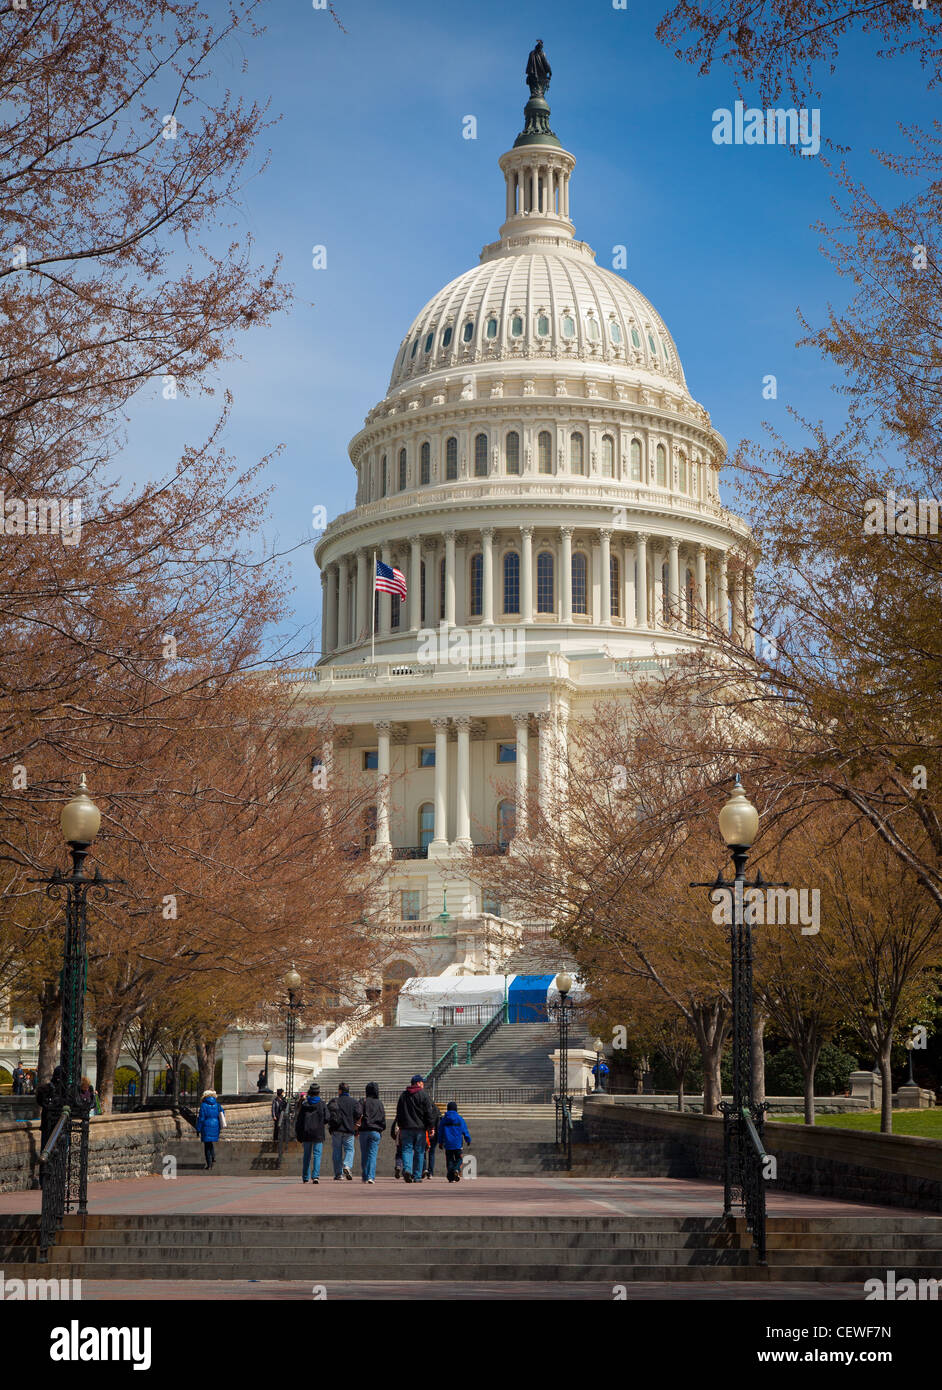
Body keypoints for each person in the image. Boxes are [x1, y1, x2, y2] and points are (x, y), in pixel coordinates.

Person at [391, 1074, 439, 1184]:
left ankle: (407, 1169)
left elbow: (399, 1112)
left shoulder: (403, 1096)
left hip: (406, 1128)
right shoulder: (424, 1095)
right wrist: (431, 1127)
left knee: (406, 1150)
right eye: (422, 1083)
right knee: (420, 1151)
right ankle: (417, 1176)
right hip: (420, 1128)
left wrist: (401, 1125)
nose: (423, 1085)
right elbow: (428, 1113)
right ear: (418, 1083)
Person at [326, 1082, 361, 1180]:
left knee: (337, 1151)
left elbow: (328, 1114)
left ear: (340, 1091)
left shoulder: (334, 1101)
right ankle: (347, 1165)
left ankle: (338, 1174)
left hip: (336, 1130)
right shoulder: (354, 1102)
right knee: (350, 1150)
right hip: (349, 1130)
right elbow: (358, 1114)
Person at [294, 1083, 328, 1184]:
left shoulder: (305, 1104)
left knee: (307, 1155)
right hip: (318, 1133)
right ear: (318, 1092)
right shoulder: (322, 1104)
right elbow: (327, 1117)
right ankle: (315, 1176)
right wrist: (320, 1123)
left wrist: (298, 1134)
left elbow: (299, 1121)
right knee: (317, 1154)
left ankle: (305, 1177)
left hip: (306, 1132)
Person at [358, 1081, 385, 1184]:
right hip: (376, 1130)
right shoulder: (379, 1103)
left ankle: (365, 1175)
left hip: (364, 1130)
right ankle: (371, 1176)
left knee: (364, 1154)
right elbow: (383, 1117)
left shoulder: (363, 1101)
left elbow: (357, 1113)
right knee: (372, 1155)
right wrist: (382, 1128)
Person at [438, 1101, 471, 1182]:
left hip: (448, 1143)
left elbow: (440, 1132)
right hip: (457, 1144)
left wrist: (440, 1142)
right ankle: (456, 1169)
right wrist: (468, 1139)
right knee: (459, 1159)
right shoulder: (460, 1119)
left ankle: (451, 1177)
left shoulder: (444, 1119)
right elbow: (465, 1130)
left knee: (449, 1160)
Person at [195, 1089, 225, 1169]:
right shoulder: (217, 1105)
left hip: (206, 1125)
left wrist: (198, 1129)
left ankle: (209, 1164)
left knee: (206, 1145)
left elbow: (201, 1118)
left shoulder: (203, 1105)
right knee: (210, 1142)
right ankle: (213, 1156)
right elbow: (222, 1114)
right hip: (215, 1125)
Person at [424, 1100, 442, 1179]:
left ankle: (424, 1169)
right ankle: (430, 1172)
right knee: (432, 1153)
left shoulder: (424, 1110)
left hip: (425, 1133)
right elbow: (439, 1124)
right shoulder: (437, 1111)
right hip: (434, 1134)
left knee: (423, 1152)